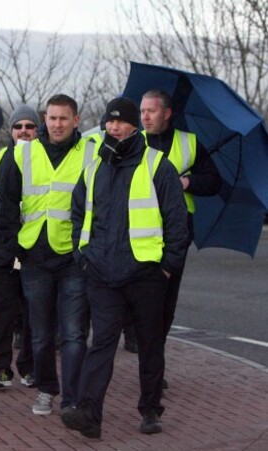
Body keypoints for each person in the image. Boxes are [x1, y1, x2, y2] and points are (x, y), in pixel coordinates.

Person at [64, 97, 189, 438]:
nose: (115, 127)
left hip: (146, 275)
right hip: (102, 273)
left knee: (149, 344)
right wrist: (83, 256)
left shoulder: (157, 166)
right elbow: (78, 215)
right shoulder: (93, 168)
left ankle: (150, 410)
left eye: (121, 121)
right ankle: (89, 414)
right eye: (110, 121)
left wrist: (167, 267)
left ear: (135, 125)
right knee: (102, 342)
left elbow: (177, 222)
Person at [0, 94, 99, 416]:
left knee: (72, 334)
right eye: (52, 118)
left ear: (76, 120)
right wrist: (15, 245)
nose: (57, 124)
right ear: (46, 119)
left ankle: (71, 399)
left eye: (63, 119)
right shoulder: (23, 153)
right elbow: (7, 203)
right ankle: (46, 390)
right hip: (35, 257)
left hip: (73, 258)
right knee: (40, 336)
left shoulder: (90, 154)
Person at [140, 89, 222, 388]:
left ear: (167, 113)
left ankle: (153, 365)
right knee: (138, 301)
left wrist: (187, 181)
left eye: (151, 111)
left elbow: (214, 182)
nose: (145, 117)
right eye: (142, 111)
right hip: (137, 234)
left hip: (176, 234)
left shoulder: (189, 144)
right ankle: (142, 350)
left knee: (165, 304)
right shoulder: (133, 143)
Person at [0, 105, 38, 389]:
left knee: (32, 314)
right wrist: (0, 226)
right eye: (19, 126)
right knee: (2, 314)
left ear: (37, 131)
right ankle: (0, 370)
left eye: (30, 126)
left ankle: (29, 368)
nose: (24, 131)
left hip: (33, 252)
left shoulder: (45, 163)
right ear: (11, 130)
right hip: (1, 251)